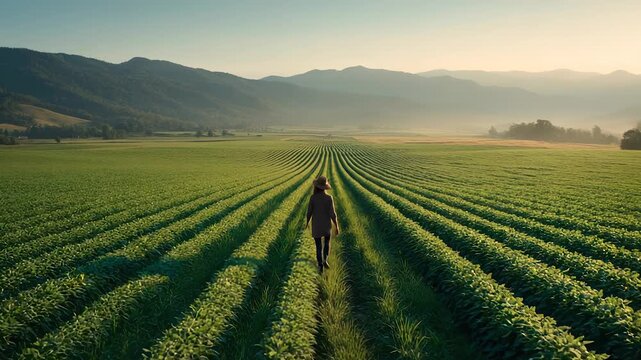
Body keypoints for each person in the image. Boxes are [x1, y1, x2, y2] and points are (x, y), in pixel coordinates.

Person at [306, 175, 340, 274]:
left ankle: (320, 266)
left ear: (316, 186)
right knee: (327, 243)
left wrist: (307, 222)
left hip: (316, 225)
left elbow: (309, 212)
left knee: (318, 246)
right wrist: (336, 226)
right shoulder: (329, 198)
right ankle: (325, 259)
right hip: (326, 225)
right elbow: (333, 214)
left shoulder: (313, 198)